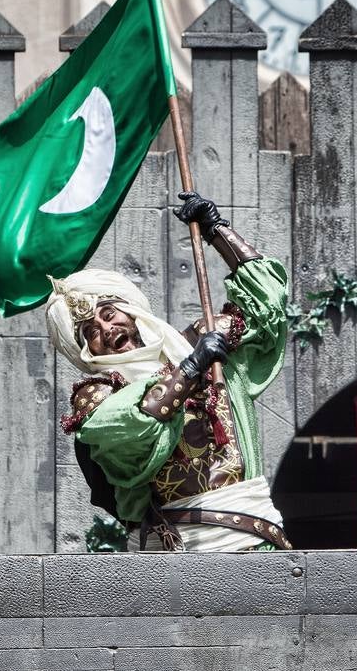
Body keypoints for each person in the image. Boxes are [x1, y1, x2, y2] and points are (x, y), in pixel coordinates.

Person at [46, 191, 291, 551]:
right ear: (86, 349)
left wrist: (217, 231)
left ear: (129, 311)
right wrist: (192, 367)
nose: (107, 329)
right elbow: (137, 423)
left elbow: (267, 305)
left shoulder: (203, 344)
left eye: (109, 314)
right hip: (173, 560)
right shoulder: (97, 396)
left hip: (255, 538)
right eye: (91, 332)